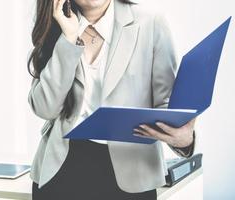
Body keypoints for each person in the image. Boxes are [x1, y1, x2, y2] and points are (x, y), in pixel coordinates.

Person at [27, 0, 197, 199]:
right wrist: (68, 39)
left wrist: (185, 141)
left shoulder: (151, 23)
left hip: (131, 175)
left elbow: (167, 106)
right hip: (61, 170)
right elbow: (45, 109)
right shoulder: (57, 26)